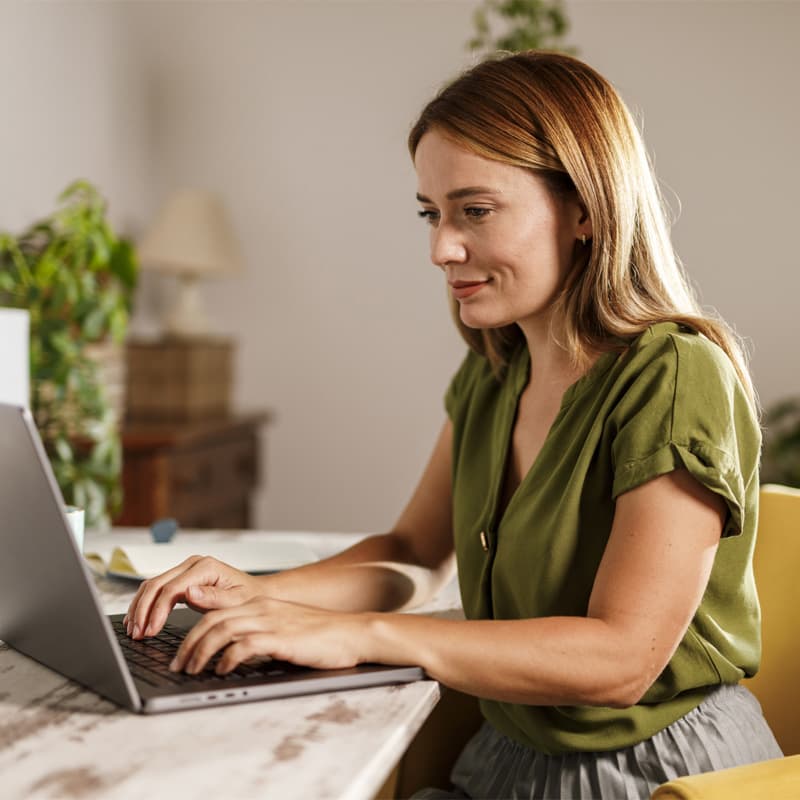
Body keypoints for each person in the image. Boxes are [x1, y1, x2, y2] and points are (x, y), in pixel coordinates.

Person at [124, 51, 781, 799]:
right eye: (431, 213)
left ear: (586, 210)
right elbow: (412, 551)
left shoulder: (673, 375)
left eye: (475, 210)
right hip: (505, 753)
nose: (442, 248)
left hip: (654, 774)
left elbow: (622, 660)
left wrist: (359, 634)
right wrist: (259, 597)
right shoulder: (494, 371)